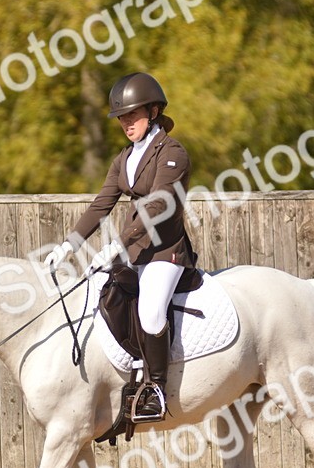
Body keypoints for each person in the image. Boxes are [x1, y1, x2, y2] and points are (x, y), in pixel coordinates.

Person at [43, 72, 198, 422]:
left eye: (133, 115)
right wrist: (69, 244)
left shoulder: (172, 153)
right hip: (133, 250)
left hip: (164, 251)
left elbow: (158, 204)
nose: (126, 123)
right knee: (100, 295)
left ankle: (157, 390)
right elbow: (102, 204)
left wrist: (117, 243)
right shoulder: (124, 158)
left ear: (154, 111)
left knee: (151, 310)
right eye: (122, 117)